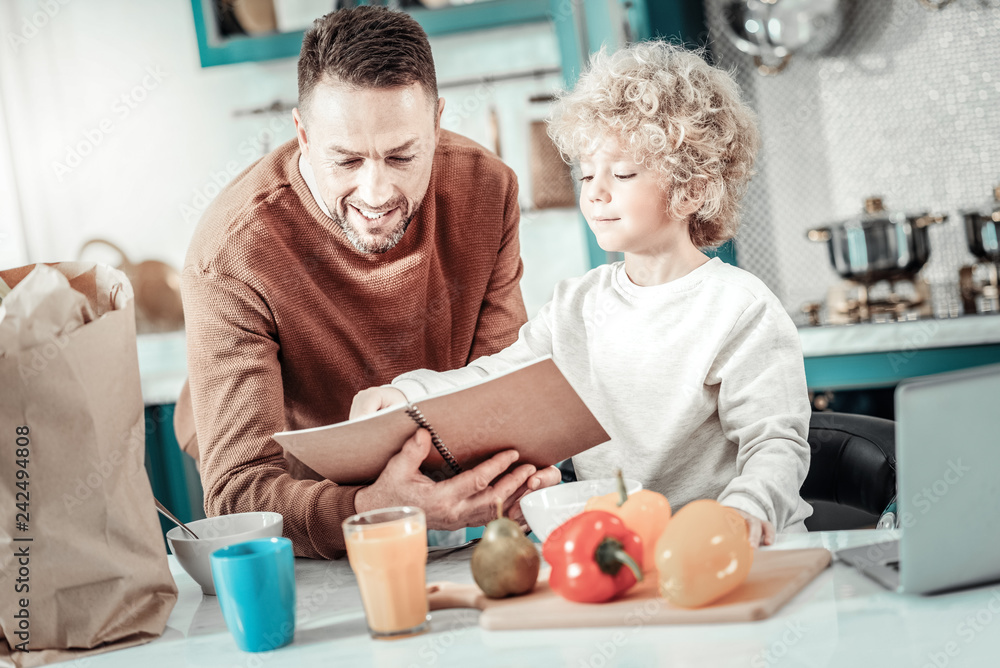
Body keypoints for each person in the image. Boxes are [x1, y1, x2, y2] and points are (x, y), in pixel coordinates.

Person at [352, 40, 813, 547]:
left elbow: (776, 442)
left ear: (691, 190)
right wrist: (406, 394)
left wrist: (746, 511)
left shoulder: (739, 309)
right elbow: (497, 379)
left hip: (728, 553)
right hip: (625, 557)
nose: (594, 192)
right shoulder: (577, 304)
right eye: (588, 173)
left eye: (623, 173)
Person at [174, 6, 559, 560]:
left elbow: (497, 395)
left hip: (438, 493)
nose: (376, 192)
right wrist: (370, 510)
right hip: (306, 502)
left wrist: (514, 474)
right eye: (346, 160)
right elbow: (238, 495)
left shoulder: (486, 189)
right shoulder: (232, 251)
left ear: (436, 123)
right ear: (303, 135)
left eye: (402, 156)